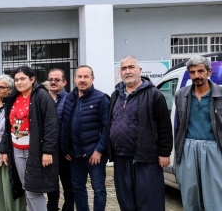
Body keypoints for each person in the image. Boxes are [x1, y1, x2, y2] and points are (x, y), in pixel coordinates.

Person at [109, 56, 172, 211]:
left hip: (145, 158)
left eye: (131, 67)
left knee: (149, 203)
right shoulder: (115, 95)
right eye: (123, 68)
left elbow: (164, 125)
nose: (127, 71)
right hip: (120, 157)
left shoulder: (154, 94)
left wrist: (164, 152)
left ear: (140, 70)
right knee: (126, 202)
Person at [0, 66, 59, 211]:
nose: (19, 82)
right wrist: (4, 149)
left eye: (23, 79)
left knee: (34, 190)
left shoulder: (42, 96)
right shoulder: (14, 98)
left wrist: (48, 151)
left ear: (32, 79)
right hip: (17, 150)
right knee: (27, 188)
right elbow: (9, 126)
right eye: (16, 80)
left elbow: (51, 125)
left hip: (35, 152)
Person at [174, 56, 222, 210]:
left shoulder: (220, 94)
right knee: (190, 196)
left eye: (200, 71)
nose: (196, 75)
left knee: (214, 197)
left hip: (214, 150)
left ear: (209, 72)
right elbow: (178, 125)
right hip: (188, 149)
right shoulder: (181, 94)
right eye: (192, 72)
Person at [60, 66, 110, 211]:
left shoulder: (101, 98)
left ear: (92, 79)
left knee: (99, 189)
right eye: (79, 77)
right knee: (78, 189)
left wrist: (99, 150)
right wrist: (66, 149)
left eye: (86, 77)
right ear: (75, 78)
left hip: (94, 155)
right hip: (75, 155)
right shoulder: (69, 98)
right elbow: (65, 125)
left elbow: (107, 127)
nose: (82, 80)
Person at [0, 75, 26, 211]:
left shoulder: (12, 105)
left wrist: (5, 149)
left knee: (9, 185)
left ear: (9, 90)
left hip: (8, 152)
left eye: (1, 87)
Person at [46, 68, 73, 211]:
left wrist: (68, 148)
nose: (53, 82)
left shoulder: (70, 99)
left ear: (64, 82)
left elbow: (72, 126)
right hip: (49, 152)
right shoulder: (43, 99)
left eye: (57, 79)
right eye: (50, 79)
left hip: (66, 153)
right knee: (51, 185)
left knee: (68, 185)